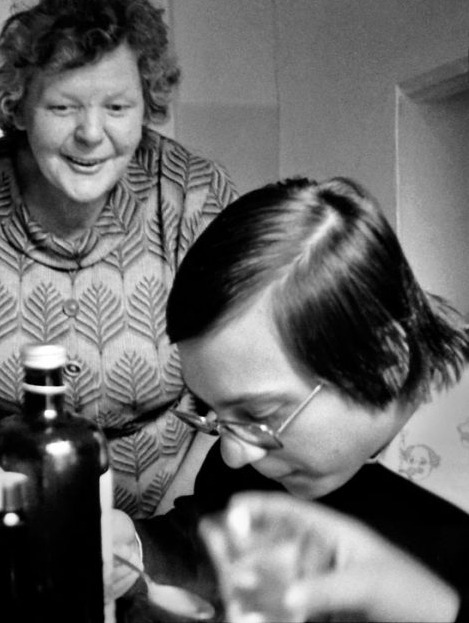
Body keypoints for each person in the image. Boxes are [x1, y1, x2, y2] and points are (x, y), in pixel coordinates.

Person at [0, 0, 236, 521]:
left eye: (117, 106)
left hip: (185, 497)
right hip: (13, 504)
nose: (90, 133)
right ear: (20, 106)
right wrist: (16, 520)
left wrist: (165, 528)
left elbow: (234, 376)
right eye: (62, 106)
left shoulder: (196, 195)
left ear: (146, 103)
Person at [116, 177, 469, 619]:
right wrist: (133, 548)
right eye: (212, 413)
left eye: (258, 413)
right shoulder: (254, 456)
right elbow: (204, 543)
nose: (233, 455)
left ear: (386, 360)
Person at [218, 492, 463, 622]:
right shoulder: (229, 478)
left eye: (260, 414)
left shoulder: (450, 541)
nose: (233, 457)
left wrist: (439, 612)